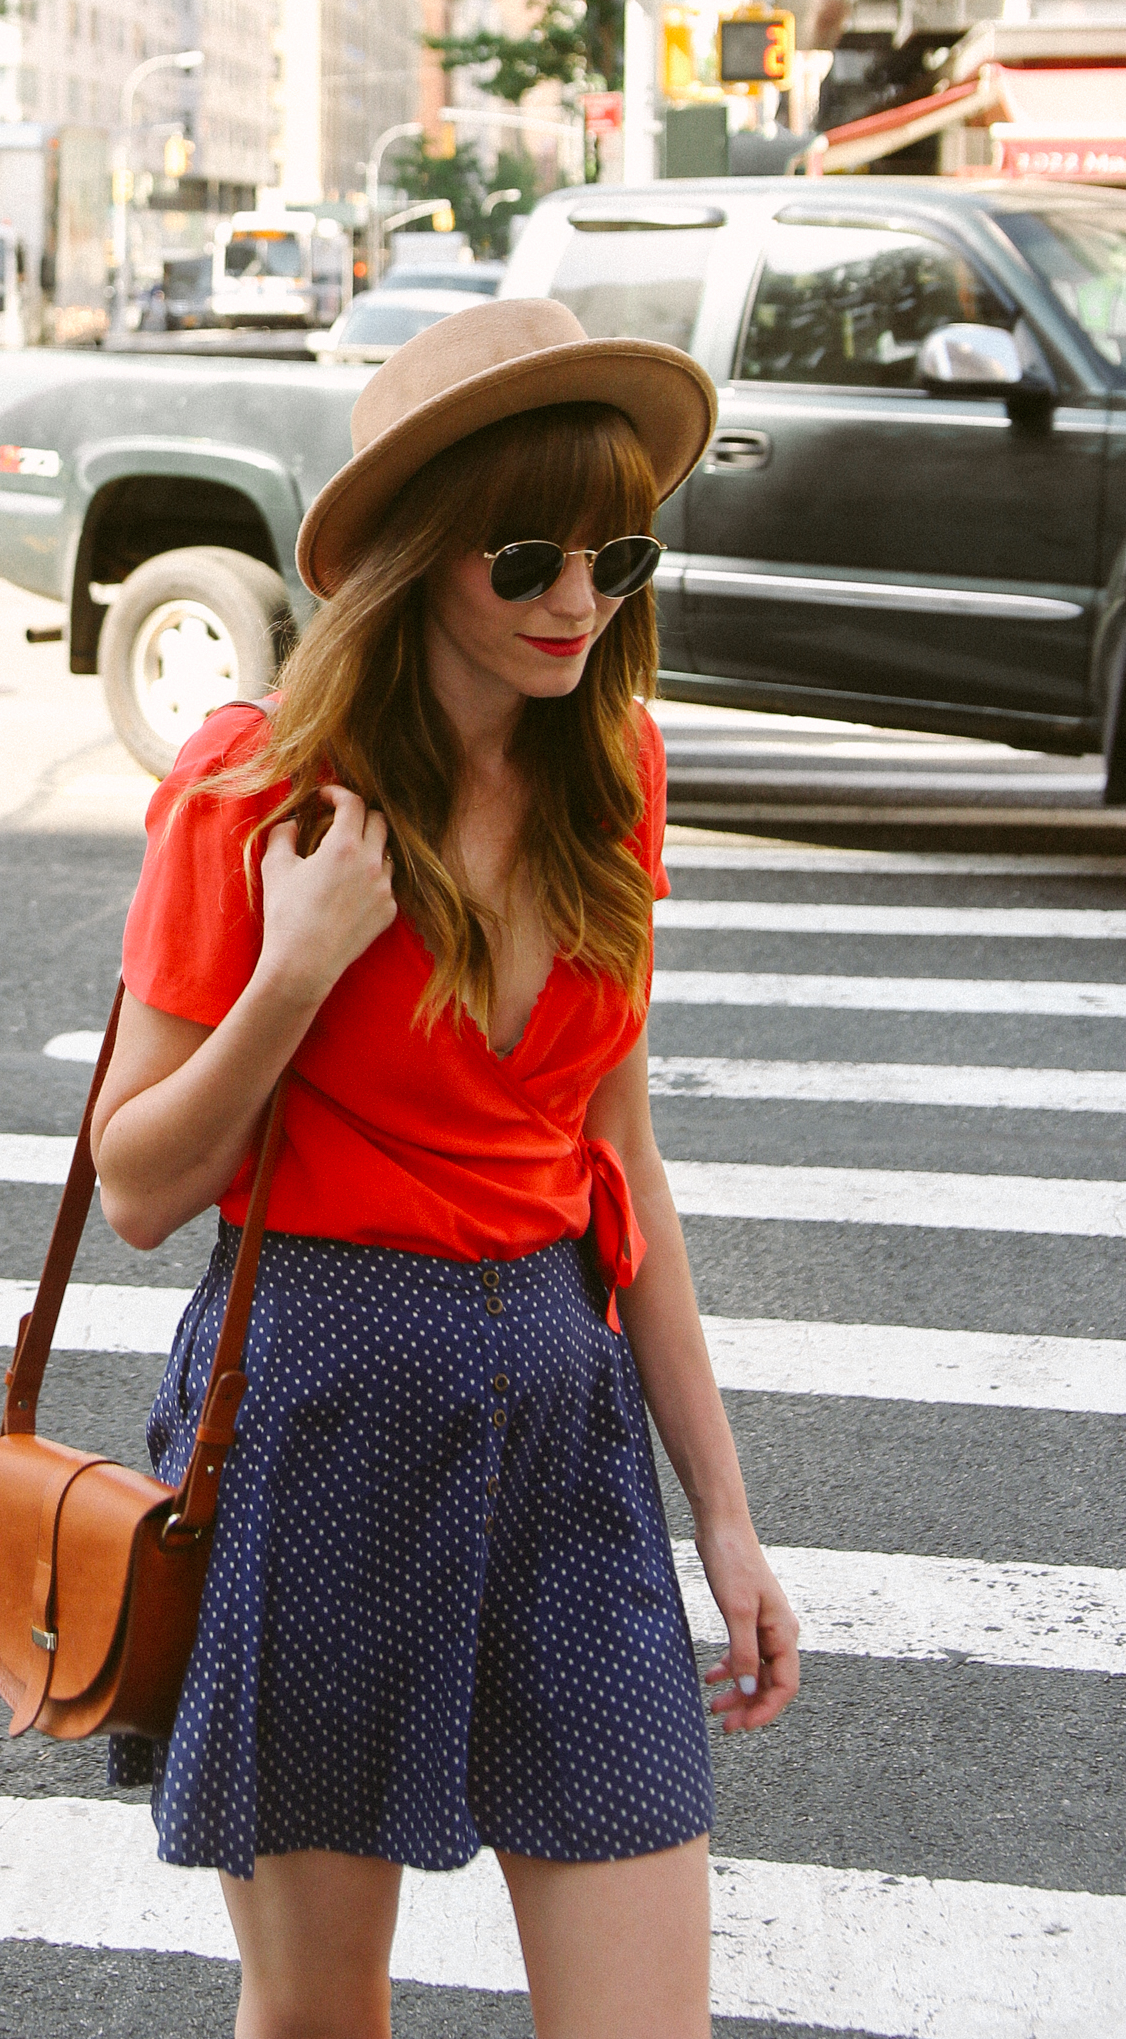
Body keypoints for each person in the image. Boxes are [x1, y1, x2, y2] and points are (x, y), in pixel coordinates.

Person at [90, 298, 800, 2039]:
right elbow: (136, 1181)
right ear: (420, 557)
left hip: (564, 1438)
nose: (581, 599)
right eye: (532, 556)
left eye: (618, 551)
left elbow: (622, 1155)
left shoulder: (609, 771)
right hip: (321, 1426)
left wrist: (722, 1505)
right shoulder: (257, 794)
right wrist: (296, 965)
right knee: (327, 2012)